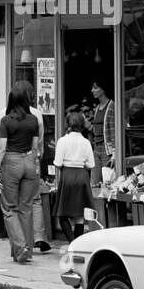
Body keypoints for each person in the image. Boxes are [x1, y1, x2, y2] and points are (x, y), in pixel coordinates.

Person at [0, 87, 41, 264]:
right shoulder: (34, 120)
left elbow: (1, 148)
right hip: (29, 161)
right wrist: (33, 163)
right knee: (26, 207)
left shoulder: (6, 121)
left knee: (9, 208)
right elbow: (35, 146)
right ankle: (26, 250)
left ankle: (20, 248)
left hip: (11, 161)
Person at [12, 79, 51, 252]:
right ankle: (39, 236)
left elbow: (0, 142)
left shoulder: (3, 113)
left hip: (12, 161)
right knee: (34, 200)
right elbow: (39, 141)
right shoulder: (37, 115)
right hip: (31, 159)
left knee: (14, 202)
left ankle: (21, 240)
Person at [54, 111, 95, 242]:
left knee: (62, 214)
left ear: (68, 124)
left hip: (67, 176)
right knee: (80, 215)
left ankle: (72, 242)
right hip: (82, 176)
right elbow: (91, 164)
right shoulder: (86, 142)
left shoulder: (62, 141)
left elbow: (58, 163)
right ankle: (77, 244)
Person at [89, 81, 116, 184]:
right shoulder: (97, 107)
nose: (92, 90)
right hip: (96, 148)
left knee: (107, 182)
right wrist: (88, 126)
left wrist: (114, 154)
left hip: (106, 150)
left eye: (95, 88)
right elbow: (98, 131)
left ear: (103, 89)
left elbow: (113, 130)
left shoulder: (111, 105)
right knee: (94, 182)